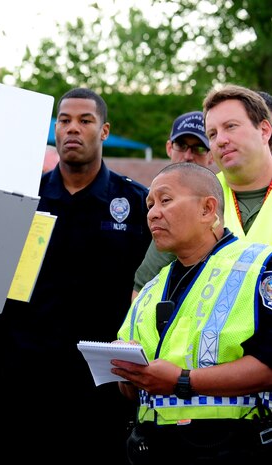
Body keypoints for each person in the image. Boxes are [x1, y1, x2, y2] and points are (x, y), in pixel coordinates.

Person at [0, 87, 152, 463]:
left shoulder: (136, 203)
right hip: (23, 383)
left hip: (100, 388)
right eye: (64, 120)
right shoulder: (21, 198)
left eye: (85, 120)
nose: (72, 129)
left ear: (104, 131)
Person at [114, 162, 272, 464]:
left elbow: (269, 366)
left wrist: (182, 381)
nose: (153, 212)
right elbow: (130, 392)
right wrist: (128, 374)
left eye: (165, 200)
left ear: (207, 209)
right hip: (152, 452)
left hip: (234, 450)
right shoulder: (149, 289)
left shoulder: (260, 267)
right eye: (149, 204)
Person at [133, 85, 272, 297]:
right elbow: (143, 292)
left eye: (231, 126)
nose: (221, 140)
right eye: (213, 134)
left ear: (264, 130)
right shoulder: (189, 197)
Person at [132, 111, 213, 297]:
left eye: (199, 148)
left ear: (212, 155)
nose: (188, 155)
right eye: (181, 145)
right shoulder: (137, 199)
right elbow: (142, 285)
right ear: (169, 148)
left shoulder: (223, 201)